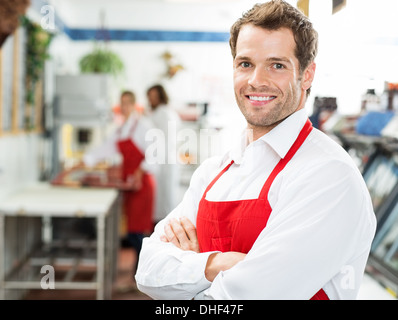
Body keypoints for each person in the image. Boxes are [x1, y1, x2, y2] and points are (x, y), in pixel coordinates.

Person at [135, 0, 376, 300]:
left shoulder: (328, 175)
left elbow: (247, 297)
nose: (256, 81)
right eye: (245, 63)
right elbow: (146, 271)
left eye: (277, 65)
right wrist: (217, 264)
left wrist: (188, 274)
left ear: (308, 74)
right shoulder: (213, 171)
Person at [83, 90, 157, 274]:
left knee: (137, 233)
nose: (123, 107)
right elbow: (104, 149)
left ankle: (145, 273)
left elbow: (155, 154)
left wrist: (140, 171)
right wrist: (85, 161)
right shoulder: (121, 130)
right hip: (129, 187)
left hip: (142, 186)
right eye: (121, 103)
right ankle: (138, 274)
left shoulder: (143, 126)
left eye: (127, 103)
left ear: (133, 104)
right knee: (133, 232)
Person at [147, 84, 181, 224]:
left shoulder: (162, 113)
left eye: (154, 96)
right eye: (150, 96)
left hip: (163, 160)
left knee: (163, 198)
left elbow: (154, 139)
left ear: (161, 96)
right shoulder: (168, 112)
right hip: (168, 159)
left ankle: (162, 227)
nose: (151, 99)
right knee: (166, 197)